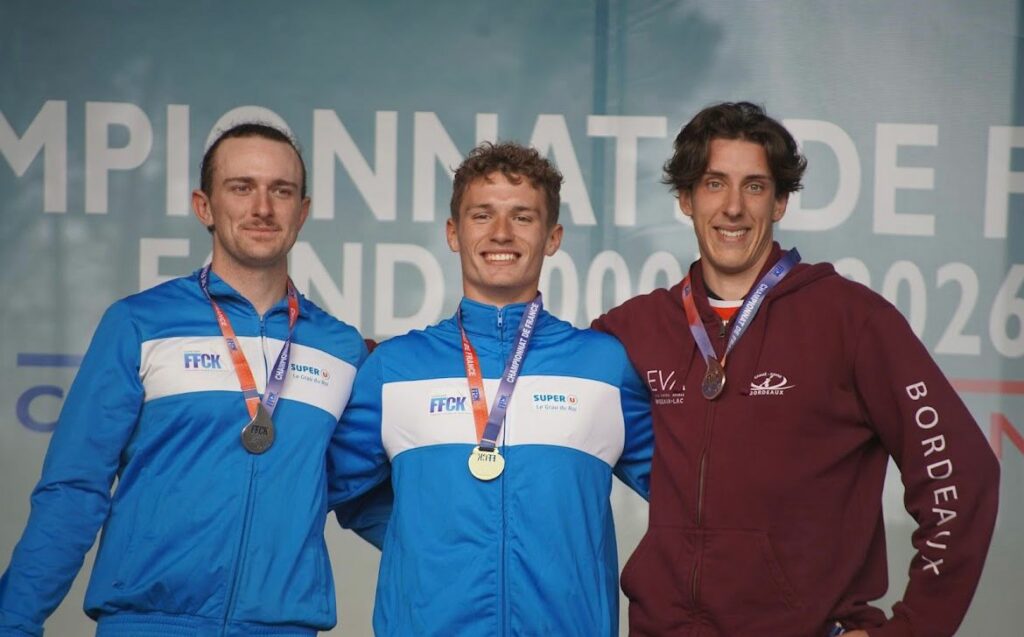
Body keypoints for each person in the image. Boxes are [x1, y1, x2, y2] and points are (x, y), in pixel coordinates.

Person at [593, 102, 1000, 637]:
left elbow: (962, 474)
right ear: (686, 199)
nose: (733, 207)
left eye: (755, 187)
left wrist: (914, 628)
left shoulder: (851, 321)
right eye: (715, 184)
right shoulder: (634, 330)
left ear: (781, 201)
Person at [0, 123, 367, 636]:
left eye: (281, 191)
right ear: (205, 206)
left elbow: (358, 492)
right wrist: (14, 621)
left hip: (282, 627)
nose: (263, 207)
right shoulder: (138, 324)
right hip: (147, 623)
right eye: (241, 187)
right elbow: (75, 488)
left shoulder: (341, 348)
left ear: (301, 212)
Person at [329, 141, 654, 636]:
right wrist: (421, 542)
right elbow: (328, 488)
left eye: (523, 217)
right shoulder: (395, 367)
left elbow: (688, 496)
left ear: (552, 236)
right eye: (482, 216)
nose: (501, 233)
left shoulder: (603, 365)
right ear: (453, 233)